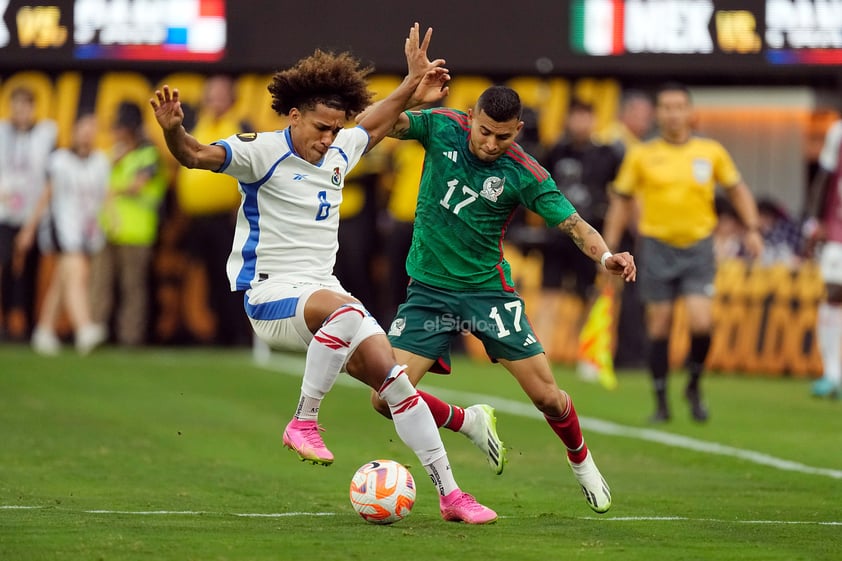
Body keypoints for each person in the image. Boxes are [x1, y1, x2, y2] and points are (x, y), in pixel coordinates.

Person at [150, 23, 498, 524]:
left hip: (322, 294)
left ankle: (451, 495)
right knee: (347, 311)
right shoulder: (260, 151)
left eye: (336, 129)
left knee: (395, 383)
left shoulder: (339, 150)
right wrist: (172, 130)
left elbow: (376, 122)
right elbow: (195, 155)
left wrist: (408, 83)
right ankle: (303, 420)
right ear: (294, 116)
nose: (328, 139)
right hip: (270, 294)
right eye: (320, 127)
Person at [367, 84, 637, 515]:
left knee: (548, 397)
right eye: (485, 132)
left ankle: (582, 460)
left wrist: (606, 256)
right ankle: (467, 421)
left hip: (487, 297)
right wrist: (408, 90)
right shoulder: (441, 127)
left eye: (503, 136)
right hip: (429, 294)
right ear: (471, 115)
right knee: (385, 399)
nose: (492, 144)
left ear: (519, 130)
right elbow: (380, 121)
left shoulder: (524, 172)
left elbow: (575, 225)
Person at [602, 82, 764, 423]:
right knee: (659, 326)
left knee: (702, 321)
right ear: (658, 114)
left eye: (679, 107)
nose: (673, 113)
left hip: (698, 247)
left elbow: (737, 189)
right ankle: (661, 400)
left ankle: (693, 383)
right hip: (657, 247)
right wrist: (607, 251)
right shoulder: (641, 155)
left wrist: (751, 229)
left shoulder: (711, 151)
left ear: (691, 113)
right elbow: (620, 201)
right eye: (666, 107)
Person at [16, 113, 110, 355]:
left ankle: (44, 330)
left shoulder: (100, 161)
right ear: (75, 130)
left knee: (63, 279)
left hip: (85, 229)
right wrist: (29, 228)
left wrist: (111, 218)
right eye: (84, 128)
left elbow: (104, 195)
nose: (88, 133)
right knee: (77, 272)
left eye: (92, 129)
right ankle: (84, 328)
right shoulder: (59, 160)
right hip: (62, 226)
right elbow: (46, 195)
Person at [175, 75, 252, 346]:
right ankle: (212, 331)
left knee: (230, 277)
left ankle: (239, 334)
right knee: (202, 279)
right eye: (212, 94)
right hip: (197, 219)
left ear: (232, 98)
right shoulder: (198, 122)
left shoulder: (241, 126)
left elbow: (253, 168)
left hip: (228, 218)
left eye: (221, 94)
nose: (215, 99)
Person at [90, 101, 167, 346]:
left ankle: (130, 338)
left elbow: (139, 185)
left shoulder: (149, 154)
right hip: (109, 229)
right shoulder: (114, 154)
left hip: (136, 232)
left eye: (121, 127)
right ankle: (93, 332)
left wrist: (115, 190)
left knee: (132, 288)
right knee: (100, 284)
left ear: (132, 128)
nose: (117, 132)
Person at [0, 86, 57, 340]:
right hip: (4, 213)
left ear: (33, 108)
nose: (20, 111)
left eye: (25, 106)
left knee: (31, 272)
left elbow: (49, 180)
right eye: (16, 105)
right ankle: (6, 321)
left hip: (33, 215)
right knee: (5, 266)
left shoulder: (46, 134)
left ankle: (30, 325)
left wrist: (32, 224)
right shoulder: (2, 133)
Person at [803, 115, 842, 398]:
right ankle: (831, 372)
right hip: (838, 226)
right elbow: (825, 177)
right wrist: (815, 220)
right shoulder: (838, 131)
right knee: (834, 292)